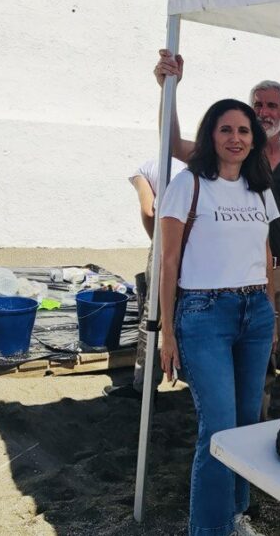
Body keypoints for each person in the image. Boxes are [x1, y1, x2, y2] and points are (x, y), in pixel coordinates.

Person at [153, 51, 280, 420]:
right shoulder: (214, 164)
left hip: (273, 277)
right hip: (215, 293)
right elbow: (173, 144)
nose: (263, 112)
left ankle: (254, 428)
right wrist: (168, 89)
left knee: (264, 372)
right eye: (258, 104)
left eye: (272, 106)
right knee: (222, 411)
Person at [157, 99, 279, 536]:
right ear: (211, 135)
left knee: (247, 425)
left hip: (255, 313)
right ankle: (210, 530)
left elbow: (265, 253)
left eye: (244, 131)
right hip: (203, 314)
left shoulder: (259, 188)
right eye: (226, 129)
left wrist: (270, 309)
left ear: (254, 139)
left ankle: (235, 514)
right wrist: (167, 331)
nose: (236, 138)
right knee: (219, 429)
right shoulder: (188, 184)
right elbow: (168, 261)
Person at [103, 154, 185, 399]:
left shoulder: (142, 171)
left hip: (167, 240)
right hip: (198, 244)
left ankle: (144, 386)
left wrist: (157, 244)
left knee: (152, 316)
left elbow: (149, 211)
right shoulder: (193, 166)